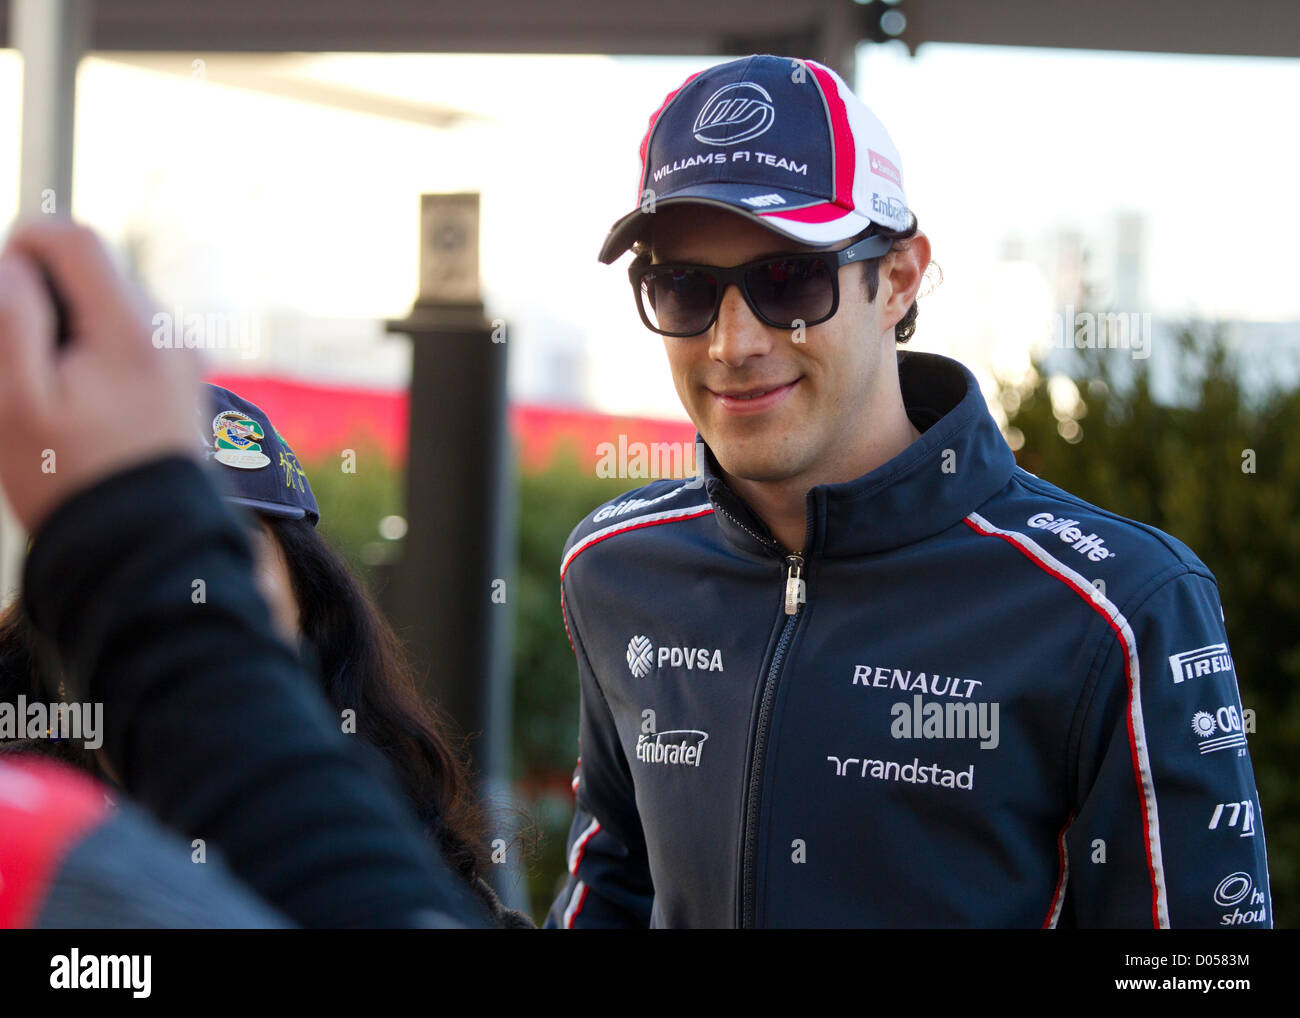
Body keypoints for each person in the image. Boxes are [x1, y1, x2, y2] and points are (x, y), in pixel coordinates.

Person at [545, 54, 1271, 928]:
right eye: (684, 287)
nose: (731, 343)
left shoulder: (1120, 604)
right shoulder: (614, 566)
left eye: (787, 282)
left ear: (897, 278)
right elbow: (612, 886)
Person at [0, 218, 492, 928]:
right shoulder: (29, 837)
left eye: (229, 549)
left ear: (311, 610)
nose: (196, 586)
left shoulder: (402, 856)